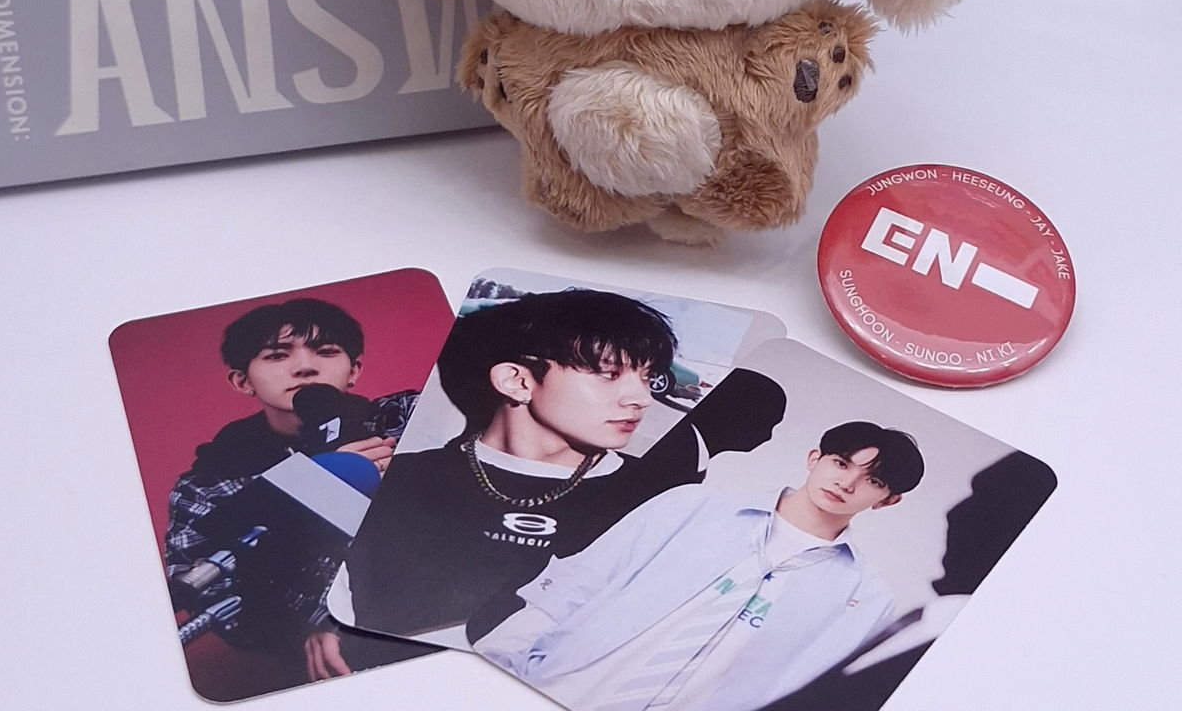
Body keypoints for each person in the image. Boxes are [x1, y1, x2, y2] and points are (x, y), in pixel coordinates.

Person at [339, 289, 788, 644]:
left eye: (646, 376)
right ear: (517, 380)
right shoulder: (401, 477)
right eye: (609, 374)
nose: (642, 398)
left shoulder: (660, 500)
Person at [473, 420, 925, 711]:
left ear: (887, 500)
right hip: (556, 686)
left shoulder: (865, 596)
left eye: (872, 480)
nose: (846, 482)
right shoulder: (694, 506)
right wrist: (494, 660)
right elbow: (578, 582)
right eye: (840, 463)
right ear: (814, 459)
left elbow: (809, 696)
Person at [164, 298, 421, 686]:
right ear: (242, 381)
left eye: (326, 351)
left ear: (354, 370)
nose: (304, 366)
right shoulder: (208, 484)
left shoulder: (407, 418)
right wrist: (315, 623)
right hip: (348, 666)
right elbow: (214, 597)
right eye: (276, 355)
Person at [761, 449, 1057, 711]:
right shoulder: (915, 621)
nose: (955, 513)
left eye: (988, 503)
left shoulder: (990, 668)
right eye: (841, 464)